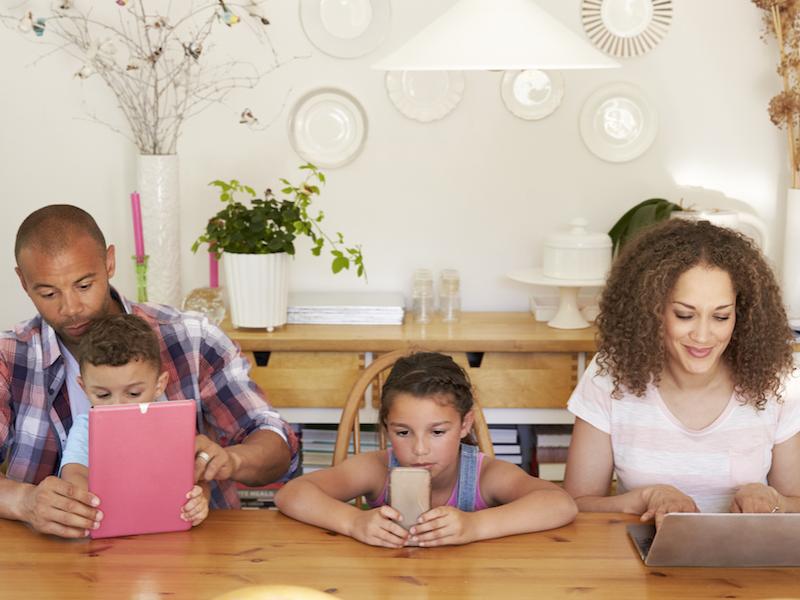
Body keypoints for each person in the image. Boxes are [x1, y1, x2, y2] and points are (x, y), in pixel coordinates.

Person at [0, 204, 298, 538]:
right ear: (23, 282)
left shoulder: (192, 338)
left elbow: (275, 442)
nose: (70, 308)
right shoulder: (9, 356)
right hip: (52, 562)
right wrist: (24, 501)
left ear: (109, 262)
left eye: (84, 285)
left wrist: (231, 461)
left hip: (193, 551)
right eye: (48, 293)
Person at [564, 219, 800, 526]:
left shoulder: (777, 380)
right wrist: (645, 497)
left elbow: (795, 502)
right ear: (652, 309)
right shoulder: (610, 375)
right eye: (684, 315)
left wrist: (773, 501)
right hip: (636, 565)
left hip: (745, 566)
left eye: (721, 316)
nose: (703, 336)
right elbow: (575, 505)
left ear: (741, 314)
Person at [275, 352, 577, 548]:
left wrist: (475, 525)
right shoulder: (376, 470)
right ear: (386, 427)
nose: (419, 449)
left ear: (464, 424)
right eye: (403, 432)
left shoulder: (485, 475)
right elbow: (291, 494)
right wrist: (354, 522)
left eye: (437, 432)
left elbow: (560, 504)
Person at [60, 314, 212, 529]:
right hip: (108, 531)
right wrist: (90, 498)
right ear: (84, 387)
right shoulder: (86, 427)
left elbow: (197, 479)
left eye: (133, 393)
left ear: (159, 385)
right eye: (103, 396)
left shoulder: (172, 425)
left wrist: (199, 500)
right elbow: (73, 473)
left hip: (167, 533)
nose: (118, 406)